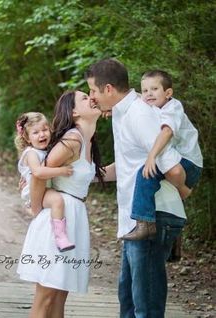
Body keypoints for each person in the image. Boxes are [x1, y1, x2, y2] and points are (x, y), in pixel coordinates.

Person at [85, 58, 187, 318]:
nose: (91, 97)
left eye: (93, 91)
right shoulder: (123, 113)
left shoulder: (139, 114)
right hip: (135, 220)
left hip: (153, 217)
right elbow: (129, 166)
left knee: (146, 305)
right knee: (129, 299)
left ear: (108, 89)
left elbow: (171, 167)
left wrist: (184, 191)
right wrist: (72, 179)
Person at [17, 90, 103, 318]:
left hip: (73, 216)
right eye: (85, 98)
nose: (91, 99)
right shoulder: (73, 139)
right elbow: (39, 174)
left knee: (59, 297)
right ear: (74, 112)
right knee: (46, 296)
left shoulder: (85, 140)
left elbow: (88, 175)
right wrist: (36, 209)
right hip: (56, 219)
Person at [122, 70, 203, 240]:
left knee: (146, 174)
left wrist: (151, 156)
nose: (148, 94)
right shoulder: (155, 105)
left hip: (189, 163)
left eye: (154, 89)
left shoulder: (173, 107)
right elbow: (134, 97)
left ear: (168, 93)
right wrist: (110, 108)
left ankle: (144, 224)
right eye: (145, 90)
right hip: (181, 160)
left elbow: (166, 132)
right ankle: (174, 240)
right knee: (165, 195)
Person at [14, 112, 75, 252]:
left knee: (55, 202)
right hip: (34, 191)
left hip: (43, 187)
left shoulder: (46, 150)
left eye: (45, 130)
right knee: (57, 201)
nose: (42, 135)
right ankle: (60, 237)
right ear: (27, 138)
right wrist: (62, 171)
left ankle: (34, 213)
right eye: (35, 132)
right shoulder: (31, 153)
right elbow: (38, 173)